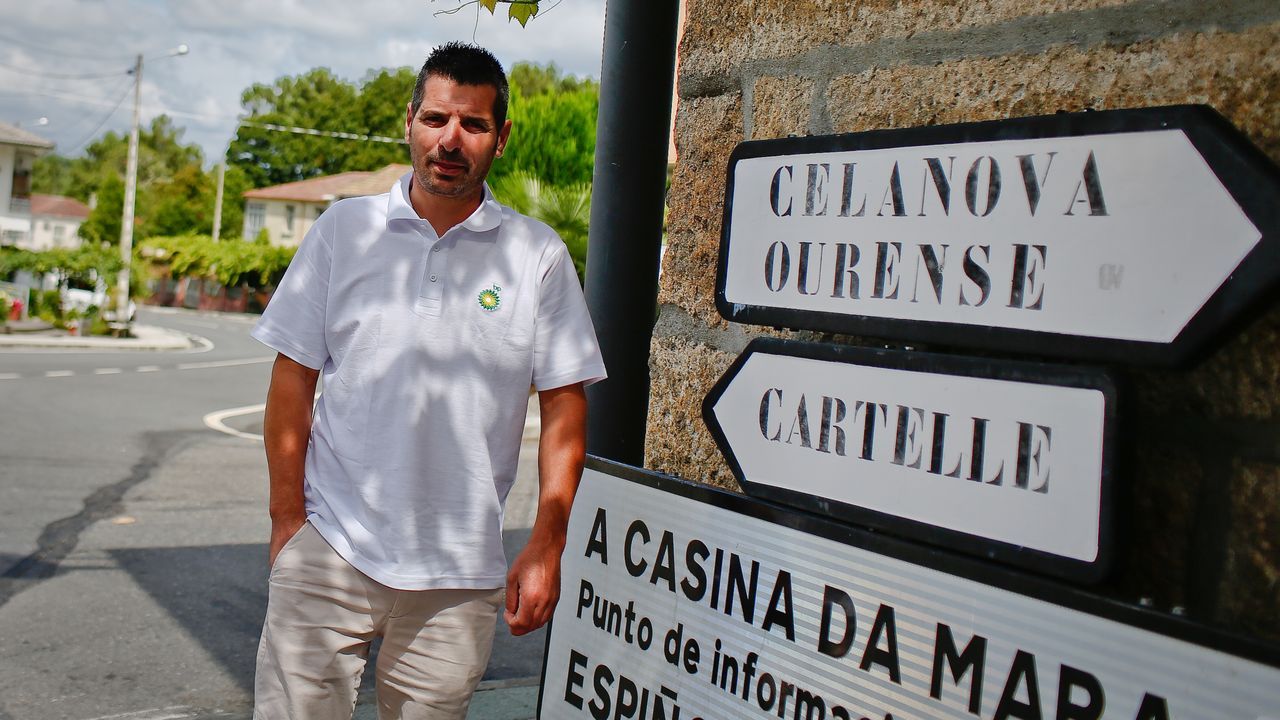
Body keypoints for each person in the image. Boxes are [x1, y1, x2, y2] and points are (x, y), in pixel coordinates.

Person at [249, 42, 605, 719]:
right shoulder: (342, 231)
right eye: (436, 118)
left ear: (499, 139)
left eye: (472, 125)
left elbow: (565, 408)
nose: (450, 139)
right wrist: (287, 519)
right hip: (330, 547)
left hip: (458, 572)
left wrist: (546, 541)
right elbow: (292, 380)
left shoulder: (538, 256)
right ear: (409, 120)